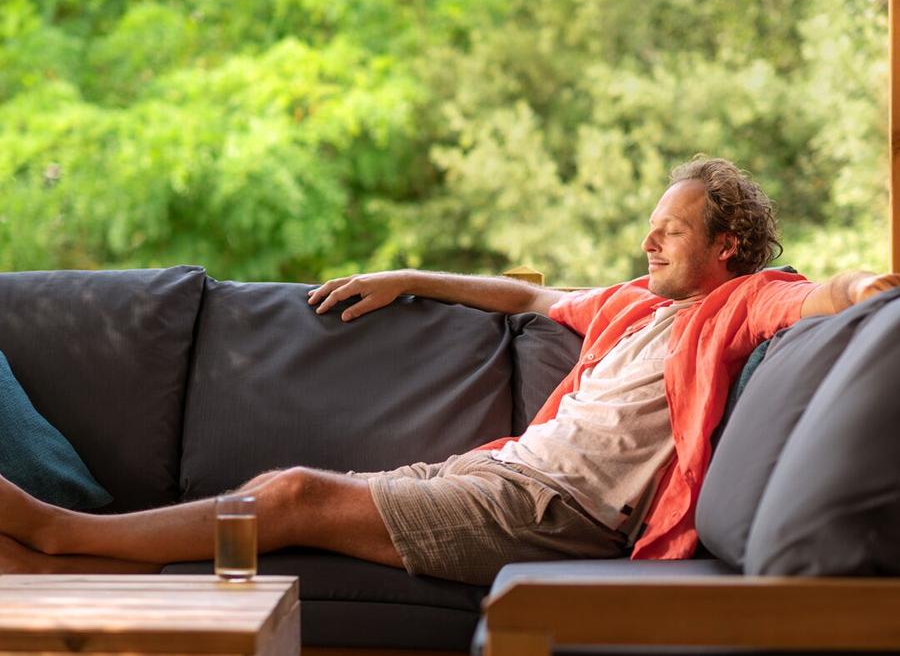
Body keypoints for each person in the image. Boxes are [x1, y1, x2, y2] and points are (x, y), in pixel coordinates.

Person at [1, 157, 897, 582]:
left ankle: (62, 534)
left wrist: (870, 286)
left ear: (726, 245)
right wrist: (409, 277)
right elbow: (530, 297)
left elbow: (818, 297)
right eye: (650, 227)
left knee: (296, 496)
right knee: (280, 496)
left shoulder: (744, 301)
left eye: (671, 230)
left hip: (558, 511)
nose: (648, 241)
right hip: (503, 473)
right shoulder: (634, 305)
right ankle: (92, 567)